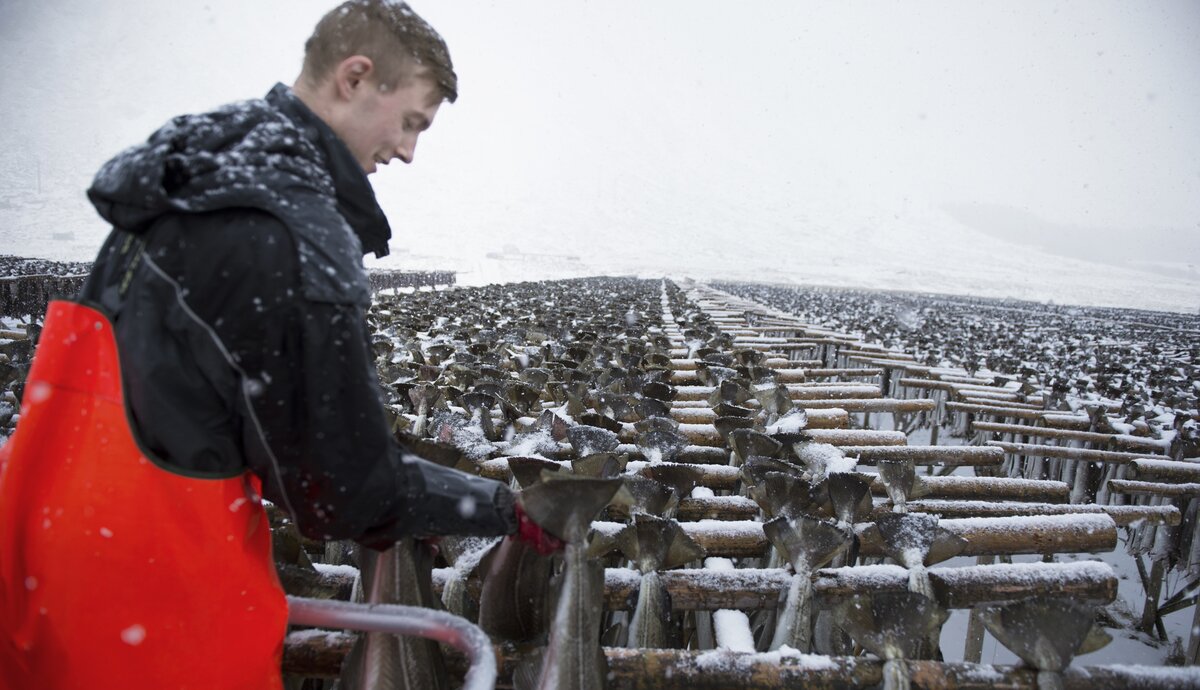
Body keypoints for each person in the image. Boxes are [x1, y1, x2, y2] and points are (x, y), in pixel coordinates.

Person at [0, 2, 558, 687]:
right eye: (412, 122)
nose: (408, 151)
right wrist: (500, 507)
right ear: (355, 77)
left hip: (39, 572)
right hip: (153, 610)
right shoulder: (295, 233)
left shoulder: (186, 184)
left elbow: (192, 409)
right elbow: (341, 489)